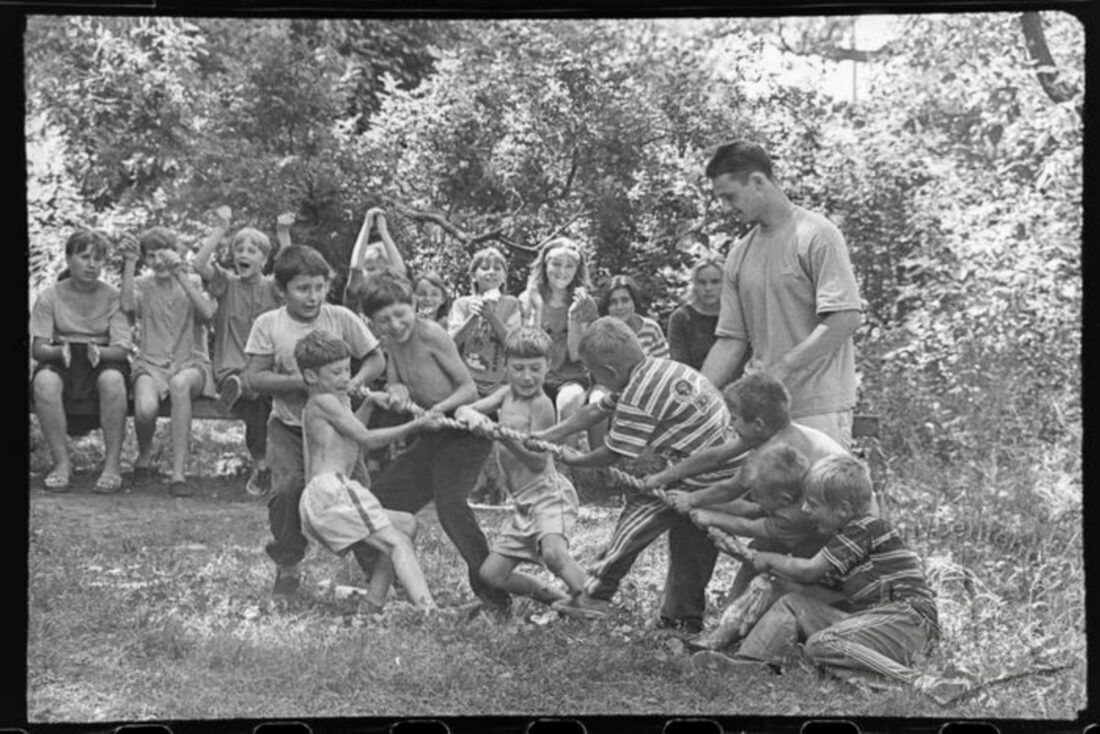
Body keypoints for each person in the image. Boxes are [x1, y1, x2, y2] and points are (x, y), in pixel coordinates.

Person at [534, 317, 739, 631]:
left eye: (591, 371)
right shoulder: (655, 369)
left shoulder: (639, 395)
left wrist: (578, 460)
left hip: (704, 475)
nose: (589, 376)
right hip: (720, 466)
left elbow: (612, 453)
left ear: (611, 372)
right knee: (694, 541)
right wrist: (549, 435)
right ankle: (681, 617)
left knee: (635, 522)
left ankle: (596, 597)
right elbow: (594, 411)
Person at [698, 454, 940, 692]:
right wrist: (742, 553)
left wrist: (768, 558)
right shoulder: (841, 544)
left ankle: (924, 683)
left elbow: (808, 571)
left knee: (823, 643)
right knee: (792, 603)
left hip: (909, 622)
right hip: (873, 624)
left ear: (843, 509)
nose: (805, 510)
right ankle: (752, 664)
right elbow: (805, 586)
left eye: (813, 504)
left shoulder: (866, 527)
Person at [358, 269, 511, 615]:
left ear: (414, 306)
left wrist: (438, 412)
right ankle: (386, 587)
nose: (396, 325)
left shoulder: (432, 334)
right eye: (385, 320)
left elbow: (467, 388)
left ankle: (494, 597)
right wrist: (396, 392)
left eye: (401, 314)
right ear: (375, 323)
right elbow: (398, 384)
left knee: (450, 507)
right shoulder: (392, 343)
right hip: (432, 434)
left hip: (463, 432)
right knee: (377, 503)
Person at [243, 245, 386, 596]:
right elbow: (255, 378)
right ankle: (288, 564)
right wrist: (303, 382)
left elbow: (376, 359)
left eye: (319, 287)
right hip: (289, 425)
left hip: (339, 430)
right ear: (282, 289)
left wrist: (356, 381)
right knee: (288, 489)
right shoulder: (270, 324)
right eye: (303, 289)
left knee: (357, 493)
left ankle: (378, 574)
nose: (313, 296)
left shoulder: (340, 318)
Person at [701, 141, 863, 448]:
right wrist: (697, 393)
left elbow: (845, 318)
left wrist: (782, 369)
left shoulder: (817, 234)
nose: (725, 207)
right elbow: (731, 339)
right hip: (762, 414)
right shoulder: (739, 253)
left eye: (729, 196)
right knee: (765, 496)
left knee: (820, 495)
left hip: (818, 407)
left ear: (758, 182)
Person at [294, 329, 437, 612]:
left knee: (406, 524)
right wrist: (417, 425)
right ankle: (430, 612)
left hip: (325, 494)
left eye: (348, 369)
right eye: (336, 373)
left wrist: (370, 403)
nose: (346, 378)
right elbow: (367, 439)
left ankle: (372, 605)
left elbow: (349, 435)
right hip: (331, 490)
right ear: (312, 377)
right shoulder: (324, 402)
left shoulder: (333, 404)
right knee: (396, 543)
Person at [455, 326, 589, 610]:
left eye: (535, 368)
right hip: (523, 504)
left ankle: (593, 600)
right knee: (491, 575)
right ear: (505, 366)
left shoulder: (541, 406)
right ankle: (556, 599)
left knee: (554, 554)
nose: (526, 377)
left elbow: (539, 461)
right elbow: (468, 410)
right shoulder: (505, 393)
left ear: (548, 366)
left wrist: (501, 435)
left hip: (548, 495)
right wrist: (467, 413)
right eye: (518, 368)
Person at [192, 207, 292, 497]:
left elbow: (294, 270)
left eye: (253, 250)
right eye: (239, 249)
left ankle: (268, 466)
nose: (244, 253)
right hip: (231, 367)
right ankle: (262, 465)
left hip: (267, 370)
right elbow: (199, 263)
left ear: (264, 259)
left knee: (260, 397)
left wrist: (284, 235)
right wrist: (221, 229)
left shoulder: (274, 288)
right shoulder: (226, 284)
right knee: (252, 391)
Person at [31, 229, 132, 493]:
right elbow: (39, 348)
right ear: (68, 258)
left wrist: (98, 353)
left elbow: (122, 348)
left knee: (113, 380)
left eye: (98, 259)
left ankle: (112, 467)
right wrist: (57, 352)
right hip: (62, 356)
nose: (92, 265)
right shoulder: (50, 296)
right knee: (44, 381)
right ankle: (62, 464)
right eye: (85, 257)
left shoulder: (112, 296)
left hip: (103, 358)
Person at [120, 227, 217, 496]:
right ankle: (145, 453)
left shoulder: (194, 282)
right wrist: (129, 263)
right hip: (151, 363)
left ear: (177, 253)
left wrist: (180, 274)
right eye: (151, 257)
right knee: (146, 407)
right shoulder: (142, 284)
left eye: (164, 255)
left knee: (179, 384)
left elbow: (208, 313)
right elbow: (127, 307)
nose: (158, 262)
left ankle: (178, 473)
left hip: (191, 362)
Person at [519, 238, 598, 439]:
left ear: (577, 270)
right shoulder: (527, 299)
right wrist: (537, 311)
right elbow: (529, 350)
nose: (562, 271)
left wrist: (573, 317)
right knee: (537, 411)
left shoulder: (585, 303)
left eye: (569, 266)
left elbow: (576, 355)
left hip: (570, 377)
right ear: (545, 265)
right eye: (556, 264)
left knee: (568, 404)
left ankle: (564, 465)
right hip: (535, 375)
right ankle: (538, 464)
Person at [587, 274, 669, 450]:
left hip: (647, 388)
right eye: (613, 302)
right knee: (596, 400)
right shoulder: (600, 330)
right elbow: (597, 373)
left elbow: (664, 367)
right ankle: (598, 462)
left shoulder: (650, 328)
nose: (619, 307)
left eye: (625, 300)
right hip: (610, 388)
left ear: (634, 301)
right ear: (607, 306)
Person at [449, 246, 523, 398]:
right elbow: (451, 343)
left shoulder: (512, 304)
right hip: (466, 383)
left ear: (504, 277)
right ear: (474, 276)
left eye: (497, 268)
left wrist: (491, 317)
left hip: (501, 385)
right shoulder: (461, 304)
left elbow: (514, 345)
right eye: (484, 268)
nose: (491, 272)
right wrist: (473, 316)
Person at [342, 206, 407, 316]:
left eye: (381, 268)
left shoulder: (395, 293)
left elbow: (400, 271)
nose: (375, 273)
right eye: (370, 268)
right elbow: (355, 267)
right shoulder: (358, 294)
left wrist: (384, 232)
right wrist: (367, 226)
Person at [667, 253, 723, 371]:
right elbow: (680, 367)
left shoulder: (736, 315)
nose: (708, 288)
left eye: (715, 282)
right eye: (702, 282)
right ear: (695, 285)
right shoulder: (681, 318)